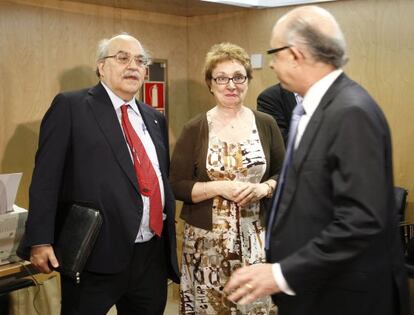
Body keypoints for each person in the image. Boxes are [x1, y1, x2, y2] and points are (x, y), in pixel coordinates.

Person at [225, 6, 410, 315]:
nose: (271, 63)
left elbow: (361, 221)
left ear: (296, 54)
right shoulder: (318, 109)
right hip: (316, 287)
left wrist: (281, 274)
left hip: (345, 296)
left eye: (275, 53)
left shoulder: (351, 112)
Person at [18, 33, 179, 315]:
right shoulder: (71, 107)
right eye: (122, 58)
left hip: (149, 255)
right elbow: (46, 179)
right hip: (95, 254)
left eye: (140, 61)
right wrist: (40, 239)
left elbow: (157, 176)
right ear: (101, 66)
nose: (133, 66)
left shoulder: (154, 118)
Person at [170, 42, 285, 314]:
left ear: (247, 80)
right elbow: (176, 185)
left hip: (256, 239)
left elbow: (285, 174)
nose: (230, 85)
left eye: (238, 77)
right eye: (221, 78)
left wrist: (265, 188)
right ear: (210, 83)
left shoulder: (265, 123)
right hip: (206, 244)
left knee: (255, 307)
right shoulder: (195, 128)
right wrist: (219, 187)